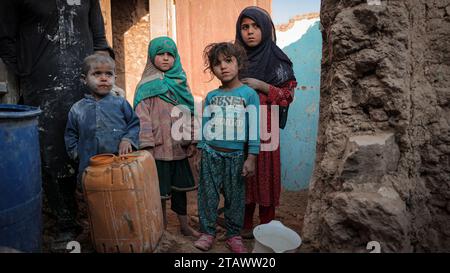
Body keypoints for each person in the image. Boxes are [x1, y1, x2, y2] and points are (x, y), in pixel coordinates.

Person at [0, 0, 114, 238]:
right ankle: (65, 223)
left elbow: (100, 41)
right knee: (53, 154)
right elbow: (5, 38)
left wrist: (103, 81)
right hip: (42, 88)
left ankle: (103, 221)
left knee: (93, 148)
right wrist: (27, 71)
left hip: (85, 86)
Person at [235, 7, 298, 237]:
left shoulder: (278, 60)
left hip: (267, 130)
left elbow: (288, 96)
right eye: (245, 27)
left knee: (266, 175)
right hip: (240, 130)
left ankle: (267, 226)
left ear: (266, 28)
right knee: (242, 176)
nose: (250, 32)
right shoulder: (234, 60)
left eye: (256, 26)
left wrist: (262, 86)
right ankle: (243, 226)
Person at [193, 42, 260, 253]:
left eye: (228, 61)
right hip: (211, 154)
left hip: (237, 156)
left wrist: (252, 157)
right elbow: (205, 126)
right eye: (217, 63)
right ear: (212, 69)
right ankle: (207, 232)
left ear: (239, 63)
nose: (223, 66)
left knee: (236, 199)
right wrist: (200, 151)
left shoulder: (249, 95)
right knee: (207, 196)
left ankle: (233, 235)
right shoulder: (212, 96)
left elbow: (254, 128)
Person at [133, 36, 200, 237]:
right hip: (157, 151)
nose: (165, 58)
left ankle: (185, 226)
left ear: (175, 57)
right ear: (151, 57)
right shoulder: (145, 86)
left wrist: (192, 139)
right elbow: (141, 118)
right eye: (160, 54)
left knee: (180, 191)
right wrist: (147, 146)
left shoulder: (181, 82)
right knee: (158, 193)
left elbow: (189, 111)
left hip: (178, 149)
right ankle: (160, 228)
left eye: (170, 55)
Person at [65, 54, 140, 186]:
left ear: (115, 78)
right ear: (84, 79)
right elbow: (70, 134)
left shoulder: (120, 103)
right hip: (89, 166)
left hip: (119, 164)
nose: (104, 78)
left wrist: (128, 139)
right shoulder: (78, 109)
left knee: (119, 194)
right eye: (97, 74)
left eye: (109, 74)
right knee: (92, 198)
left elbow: (134, 124)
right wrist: (77, 154)